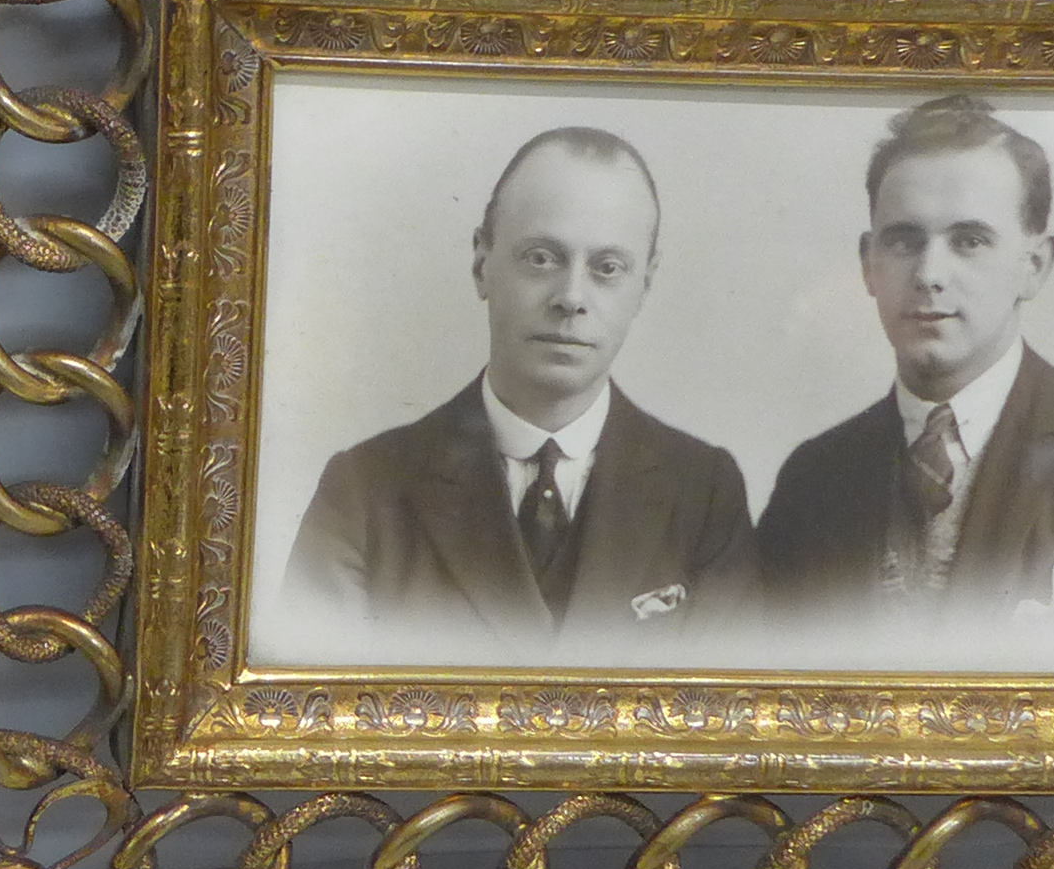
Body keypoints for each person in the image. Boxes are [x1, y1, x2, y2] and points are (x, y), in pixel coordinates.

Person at [278, 126, 754, 658]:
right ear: (483, 262)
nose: (571, 298)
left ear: (645, 283)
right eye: (541, 258)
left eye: (608, 268)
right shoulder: (363, 492)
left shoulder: (706, 494)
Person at [755, 93, 1054, 628]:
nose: (928, 274)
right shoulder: (814, 478)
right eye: (903, 242)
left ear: (1033, 266)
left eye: (969, 241)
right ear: (868, 265)